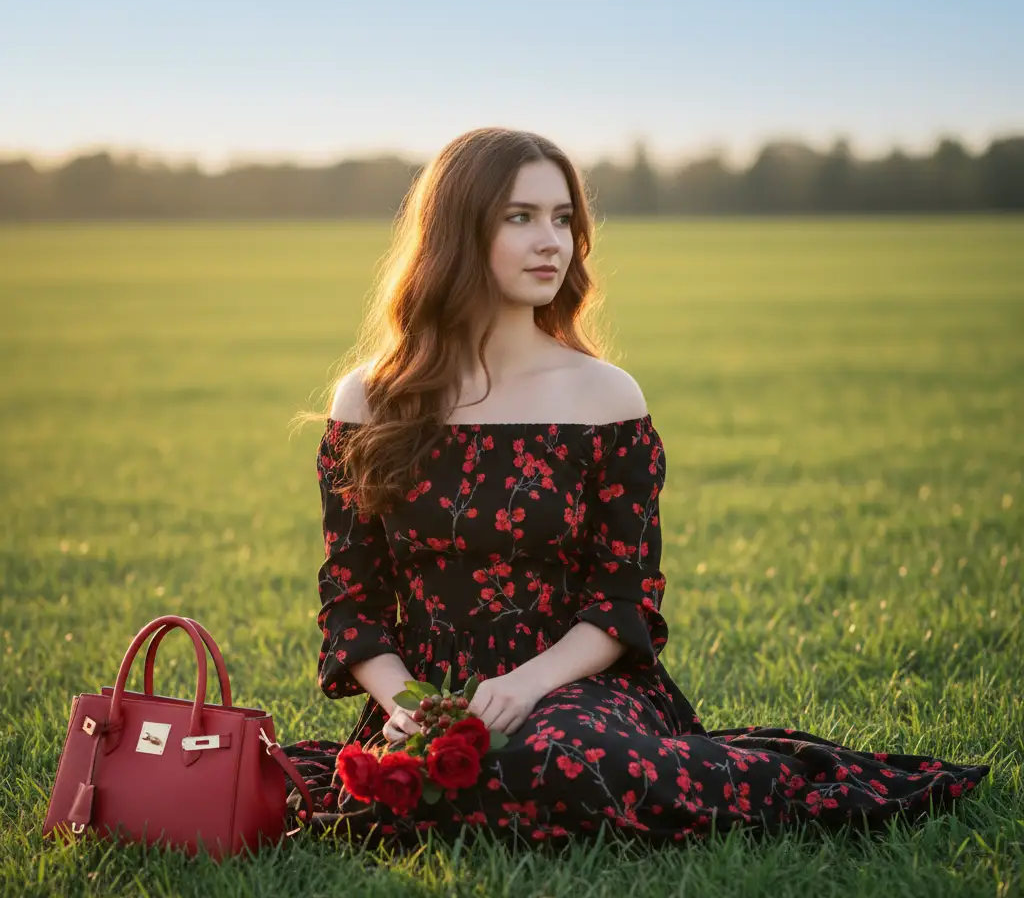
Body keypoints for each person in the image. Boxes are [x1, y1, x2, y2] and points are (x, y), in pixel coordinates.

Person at [281, 128, 989, 849]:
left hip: (577, 688)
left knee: (550, 759)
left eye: (563, 220)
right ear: (457, 231)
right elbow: (352, 600)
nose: (551, 241)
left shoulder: (604, 397)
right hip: (428, 694)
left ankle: (749, 776)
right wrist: (411, 706)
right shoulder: (372, 398)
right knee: (421, 787)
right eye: (520, 217)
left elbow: (623, 604)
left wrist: (525, 688)